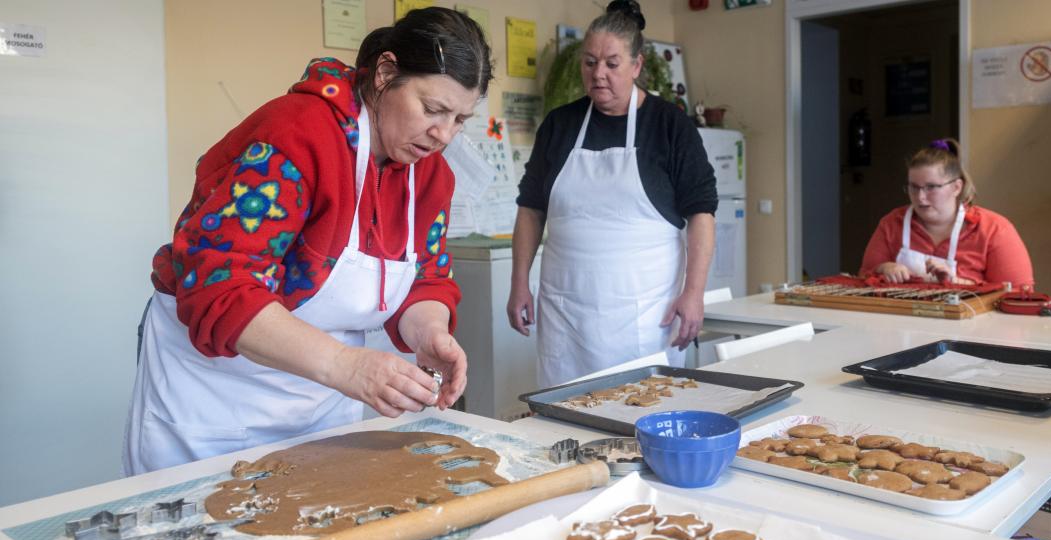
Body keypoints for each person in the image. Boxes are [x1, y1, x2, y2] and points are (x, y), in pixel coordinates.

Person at [123, 8, 492, 475]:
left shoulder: (430, 175)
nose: (444, 134)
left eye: (460, 118)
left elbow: (427, 278)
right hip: (217, 398)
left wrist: (430, 332)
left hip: (321, 401)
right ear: (385, 73)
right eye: (433, 109)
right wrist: (346, 366)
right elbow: (221, 288)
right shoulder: (296, 137)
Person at [506, 0, 718, 387]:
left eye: (611, 63)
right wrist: (520, 281)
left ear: (637, 66)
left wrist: (694, 292)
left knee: (641, 415)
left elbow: (701, 214)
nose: (598, 74)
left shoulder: (669, 125)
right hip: (566, 312)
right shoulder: (560, 124)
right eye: (589, 62)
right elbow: (532, 208)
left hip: (644, 312)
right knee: (564, 415)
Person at [859, 138, 1034, 288]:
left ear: (957, 187)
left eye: (931, 187)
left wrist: (955, 281)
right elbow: (862, 280)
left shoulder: (994, 230)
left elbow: (1017, 294)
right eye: (914, 187)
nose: (920, 197)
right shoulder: (892, 224)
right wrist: (883, 269)